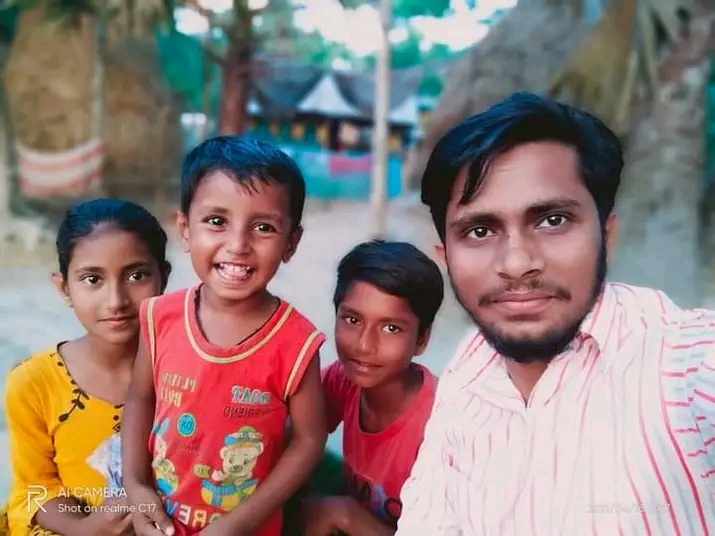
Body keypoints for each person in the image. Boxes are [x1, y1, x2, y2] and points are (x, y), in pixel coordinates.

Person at [395, 92, 715, 535]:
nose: (516, 263)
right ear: (445, 258)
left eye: (552, 221)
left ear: (606, 236)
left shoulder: (681, 364)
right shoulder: (468, 369)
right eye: (480, 230)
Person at [121, 136, 328, 536]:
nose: (237, 245)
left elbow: (309, 441)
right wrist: (136, 487)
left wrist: (237, 525)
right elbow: (139, 398)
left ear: (291, 243)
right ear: (185, 229)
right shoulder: (160, 317)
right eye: (217, 221)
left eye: (263, 227)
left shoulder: (297, 343)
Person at [2, 198, 171, 536]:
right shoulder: (34, 383)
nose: (116, 301)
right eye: (93, 279)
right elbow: (36, 488)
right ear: (64, 288)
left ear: (163, 278)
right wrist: (84, 529)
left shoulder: (188, 373)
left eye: (136, 275)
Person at [302, 240, 444, 535]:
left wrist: (345, 516)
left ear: (422, 339)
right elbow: (286, 436)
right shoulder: (343, 379)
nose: (364, 346)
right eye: (352, 320)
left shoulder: (440, 427)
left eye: (391, 328)